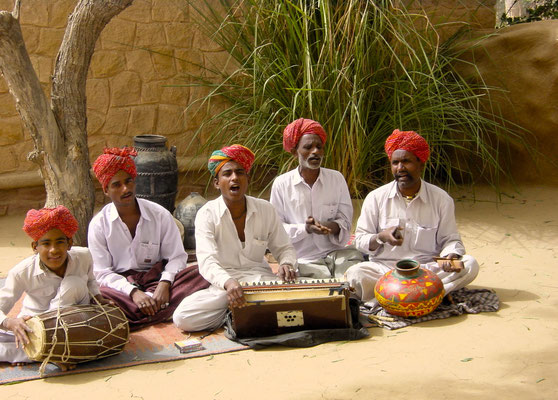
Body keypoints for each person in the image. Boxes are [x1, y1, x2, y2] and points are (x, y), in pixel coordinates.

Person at [345, 129, 479, 304]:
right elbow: (360, 241)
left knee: (470, 264)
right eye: (395, 163)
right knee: (355, 274)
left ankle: (394, 298)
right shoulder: (375, 198)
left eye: (406, 161)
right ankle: (428, 295)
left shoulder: (441, 199)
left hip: (425, 271)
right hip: (385, 270)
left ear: (420, 163)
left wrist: (449, 256)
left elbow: (451, 240)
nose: (400, 168)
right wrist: (380, 237)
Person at [173, 144, 297, 332]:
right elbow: (207, 261)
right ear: (217, 183)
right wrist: (229, 283)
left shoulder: (266, 209)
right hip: (226, 285)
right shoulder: (207, 214)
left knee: (300, 297)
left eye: (240, 172)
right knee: (183, 317)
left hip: (261, 281)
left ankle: (244, 312)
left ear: (247, 179)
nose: (234, 178)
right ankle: (240, 312)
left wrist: (287, 263)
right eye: (227, 173)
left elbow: (284, 248)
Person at [88, 147, 209, 330]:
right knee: (97, 294)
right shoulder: (99, 225)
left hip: (157, 280)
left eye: (129, 181)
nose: (126, 189)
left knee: (202, 272)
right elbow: (102, 272)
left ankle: (138, 313)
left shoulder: (159, 214)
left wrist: (165, 283)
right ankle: (160, 309)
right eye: (117, 185)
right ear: (106, 190)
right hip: (122, 288)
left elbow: (176, 257)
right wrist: (134, 292)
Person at [0, 206, 109, 368]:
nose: (54, 250)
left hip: (73, 320)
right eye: (46, 243)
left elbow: (91, 281)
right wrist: (10, 323)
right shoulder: (21, 272)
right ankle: (46, 351)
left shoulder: (84, 256)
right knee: (12, 339)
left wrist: (98, 297)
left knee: (74, 283)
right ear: (34, 247)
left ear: (69, 243)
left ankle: (45, 350)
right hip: (35, 327)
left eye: (60, 242)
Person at [270, 118, 363, 278]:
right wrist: (305, 229)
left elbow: (346, 221)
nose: (315, 152)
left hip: (337, 254)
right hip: (303, 259)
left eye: (319, 147)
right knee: (316, 290)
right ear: (294, 151)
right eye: (308, 147)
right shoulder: (282, 184)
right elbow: (275, 230)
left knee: (357, 275)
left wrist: (331, 226)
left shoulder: (336, 179)